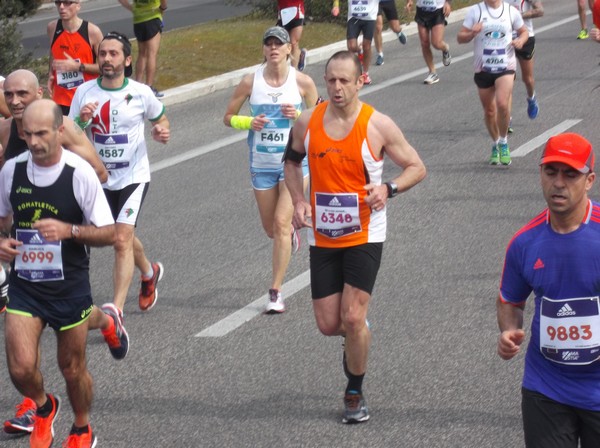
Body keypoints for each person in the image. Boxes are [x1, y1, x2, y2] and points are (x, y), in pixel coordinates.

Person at [283, 50, 426, 422]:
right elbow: (292, 161)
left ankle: (354, 391)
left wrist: (389, 189)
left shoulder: (377, 124)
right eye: (331, 80)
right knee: (329, 324)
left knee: (351, 314)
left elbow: (416, 167)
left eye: (345, 80)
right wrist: (299, 200)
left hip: (365, 233)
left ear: (361, 81)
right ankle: (356, 330)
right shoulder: (307, 122)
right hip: (324, 235)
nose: (337, 88)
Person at [0, 73, 126, 437]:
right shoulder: (11, 171)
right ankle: (43, 406)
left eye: (43, 134)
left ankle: (82, 427)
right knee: (21, 368)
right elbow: (3, 220)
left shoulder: (79, 173)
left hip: (69, 286)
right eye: (28, 134)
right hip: (26, 285)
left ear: (59, 132)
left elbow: (112, 234)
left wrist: (69, 230)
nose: (35, 142)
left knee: (71, 368)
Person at [497, 132, 600, 447]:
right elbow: (509, 300)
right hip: (546, 387)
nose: (558, 182)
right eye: (551, 171)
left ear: (589, 180)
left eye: (570, 174)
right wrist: (509, 331)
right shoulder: (524, 242)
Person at [69, 31, 170, 314]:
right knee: (117, 234)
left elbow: (161, 119)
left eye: (113, 54)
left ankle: (116, 310)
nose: (106, 59)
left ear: (127, 60)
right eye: (102, 54)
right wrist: (81, 119)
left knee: (121, 239)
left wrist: (161, 131)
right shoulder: (84, 92)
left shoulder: (140, 92)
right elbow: (71, 133)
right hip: (99, 178)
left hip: (133, 177)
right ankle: (149, 273)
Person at [223, 26, 318, 313]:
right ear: (264, 50)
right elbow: (227, 117)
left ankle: (275, 291)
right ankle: (289, 234)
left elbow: (320, 124)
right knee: (271, 229)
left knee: (279, 224)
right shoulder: (250, 82)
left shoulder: (303, 83)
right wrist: (247, 123)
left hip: (293, 164)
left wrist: (300, 115)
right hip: (261, 165)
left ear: (290, 49)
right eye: (269, 44)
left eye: (279, 44)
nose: (274, 48)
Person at [457, 0, 528, 166]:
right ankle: (495, 143)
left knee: (502, 104)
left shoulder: (510, 11)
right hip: (483, 68)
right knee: (489, 111)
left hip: (505, 65)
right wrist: (471, 33)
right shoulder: (476, 11)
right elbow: (460, 38)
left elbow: (524, 32)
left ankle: (503, 142)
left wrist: (520, 41)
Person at [47, 0, 103, 115]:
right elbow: (53, 51)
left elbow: (106, 68)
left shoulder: (92, 32)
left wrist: (78, 66)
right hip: (61, 100)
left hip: (88, 100)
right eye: (58, 3)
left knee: (84, 133)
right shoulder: (52, 28)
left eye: (67, 3)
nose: (62, 7)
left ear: (78, 5)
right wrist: (51, 74)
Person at [118, 0, 167, 97]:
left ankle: (138, 85)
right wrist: (163, 7)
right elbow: (164, 3)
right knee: (151, 54)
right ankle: (149, 87)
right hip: (152, 16)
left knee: (142, 54)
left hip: (138, 19)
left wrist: (132, 8)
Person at [506, 0, 543, 120]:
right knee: (506, 80)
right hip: (505, 40)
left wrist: (517, 17)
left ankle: (531, 98)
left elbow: (540, 11)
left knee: (527, 78)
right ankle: (507, 119)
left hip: (525, 38)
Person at [332, 0, 379, 85]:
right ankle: (359, 51)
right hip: (353, 18)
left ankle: (365, 73)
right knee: (351, 46)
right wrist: (336, 5)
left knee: (367, 46)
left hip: (370, 18)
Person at [406, 0, 452, 85]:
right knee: (424, 43)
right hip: (421, 11)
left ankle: (445, 48)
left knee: (436, 43)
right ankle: (432, 73)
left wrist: (448, 3)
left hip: (438, 10)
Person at [373, 0, 408, 67]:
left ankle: (399, 32)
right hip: (374, 3)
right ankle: (380, 54)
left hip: (388, 1)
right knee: (378, 27)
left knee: (395, 27)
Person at [277, 0, 308, 71]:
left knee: (293, 42)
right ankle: (300, 54)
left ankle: (294, 72)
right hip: (283, 15)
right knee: (284, 44)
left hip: (297, 13)